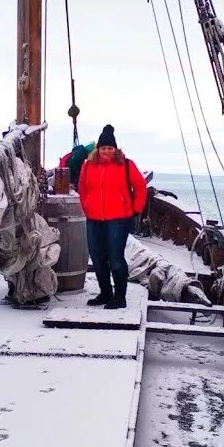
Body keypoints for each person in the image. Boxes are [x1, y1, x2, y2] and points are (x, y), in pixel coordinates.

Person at [77, 124, 147, 309]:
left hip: (119, 219)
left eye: (110, 148)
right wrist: (87, 207)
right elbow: (82, 189)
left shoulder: (126, 165)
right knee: (97, 257)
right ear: (98, 149)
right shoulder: (88, 166)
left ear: (115, 149)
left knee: (115, 258)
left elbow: (140, 187)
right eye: (103, 148)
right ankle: (105, 293)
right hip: (94, 219)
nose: (106, 151)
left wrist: (136, 209)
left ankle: (120, 297)